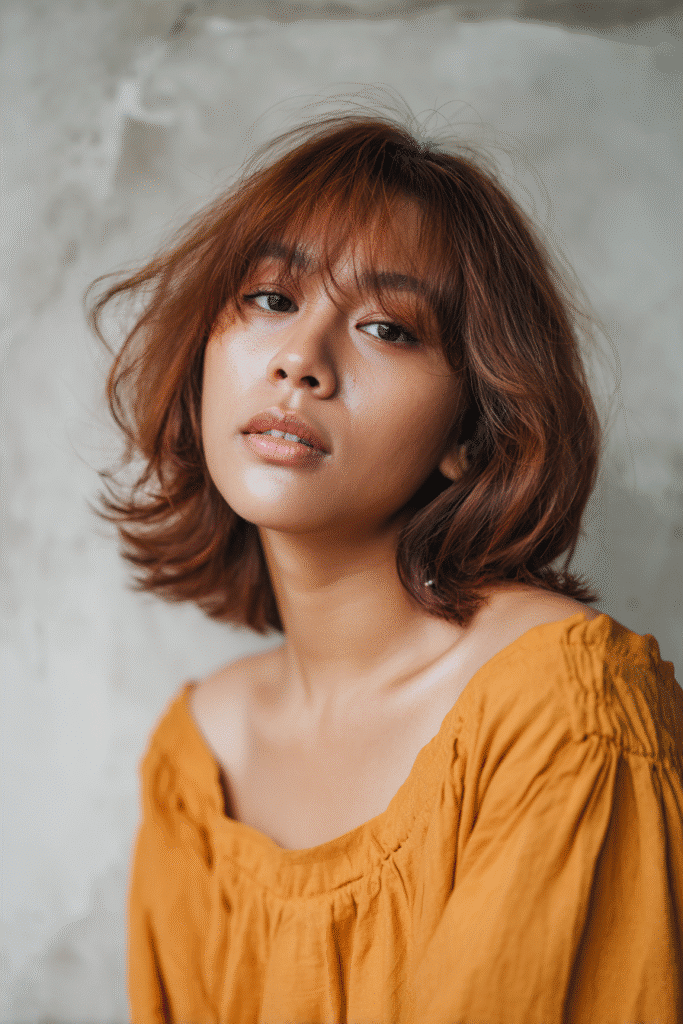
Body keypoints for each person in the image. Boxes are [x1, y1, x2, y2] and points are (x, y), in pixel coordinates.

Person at [87, 104, 683, 1023]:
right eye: (271, 300)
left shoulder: (560, 708)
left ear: (468, 431)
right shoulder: (195, 757)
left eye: (388, 329)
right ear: (202, 359)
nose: (301, 361)